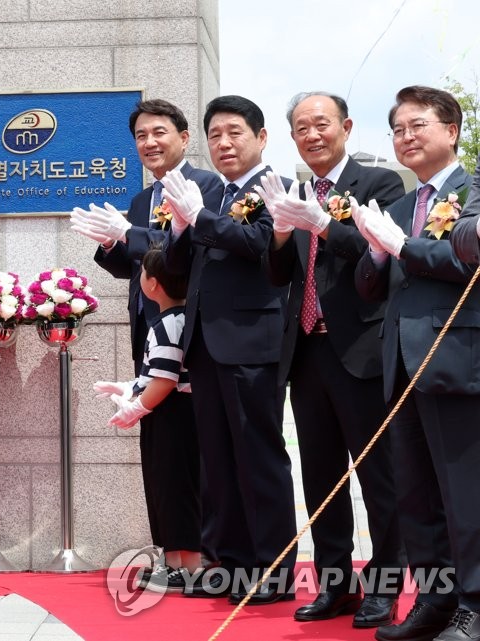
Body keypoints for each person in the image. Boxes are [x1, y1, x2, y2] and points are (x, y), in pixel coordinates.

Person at [256, 91, 406, 628]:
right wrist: (278, 233)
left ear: (345, 126)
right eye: (301, 128)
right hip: (306, 352)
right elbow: (280, 277)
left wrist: (321, 223)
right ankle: (335, 584)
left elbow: (376, 253)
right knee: (320, 478)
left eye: (321, 124)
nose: (312, 135)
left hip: (361, 352)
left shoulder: (379, 183)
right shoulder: (293, 193)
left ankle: (386, 588)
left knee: (379, 477)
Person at [352, 86, 480, 641]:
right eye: (398, 128)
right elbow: (368, 285)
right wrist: (378, 251)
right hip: (400, 365)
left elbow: (465, 258)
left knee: (465, 494)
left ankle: (474, 606)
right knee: (416, 493)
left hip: (456, 361)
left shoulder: (474, 192)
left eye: (418, 125)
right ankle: (434, 598)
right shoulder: (400, 206)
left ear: (451, 130)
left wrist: (401, 246)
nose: (406, 136)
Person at [161, 95, 296, 605]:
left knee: (257, 457)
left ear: (261, 138)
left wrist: (199, 219)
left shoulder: (272, 189)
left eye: (234, 132)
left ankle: (273, 570)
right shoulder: (212, 195)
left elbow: (264, 244)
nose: (223, 143)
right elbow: (178, 266)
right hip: (205, 344)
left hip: (251, 344)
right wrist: (178, 227)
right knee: (216, 461)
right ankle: (231, 565)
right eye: (215, 134)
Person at [71, 98, 223, 376]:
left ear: (184, 138)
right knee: (150, 415)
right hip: (144, 325)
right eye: (141, 136)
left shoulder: (203, 184)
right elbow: (132, 267)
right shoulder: (141, 200)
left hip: (186, 326)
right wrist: (111, 244)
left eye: (159, 133)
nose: (149, 142)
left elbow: (190, 250)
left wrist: (129, 232)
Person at [92, 246, 200, 593]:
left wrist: (137, 407)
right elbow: (157, 374)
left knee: (174, 489)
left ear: (152, 284)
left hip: (173, 416)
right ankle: (174, 564)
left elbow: (167, 380)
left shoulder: (169, 322)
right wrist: (128, 388)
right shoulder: (175, 319)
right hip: (167, 412)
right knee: (165, 488)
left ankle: (187, 567)